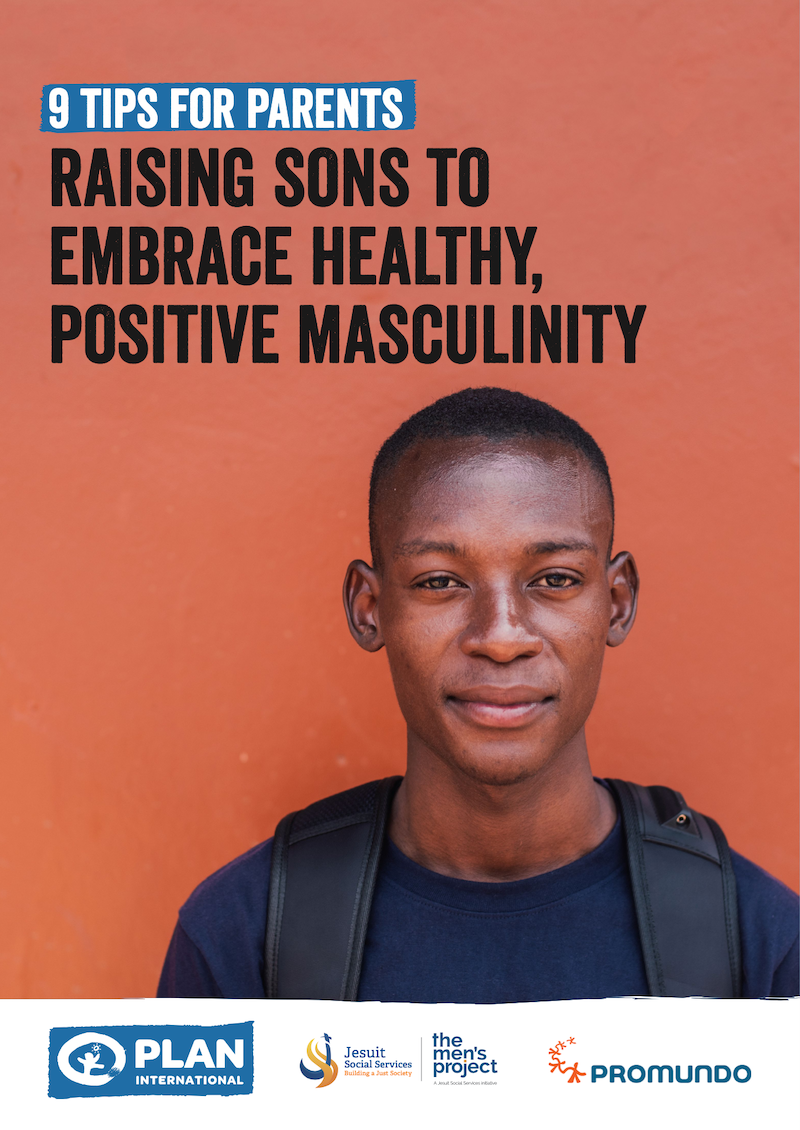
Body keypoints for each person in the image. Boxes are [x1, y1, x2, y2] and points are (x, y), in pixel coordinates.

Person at [158, 387, 798, 1001]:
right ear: (369, 609)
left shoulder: (758, 942)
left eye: (553, 579)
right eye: (440, 582)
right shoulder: (244, 936)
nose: (500, 637)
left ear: (618, 603)